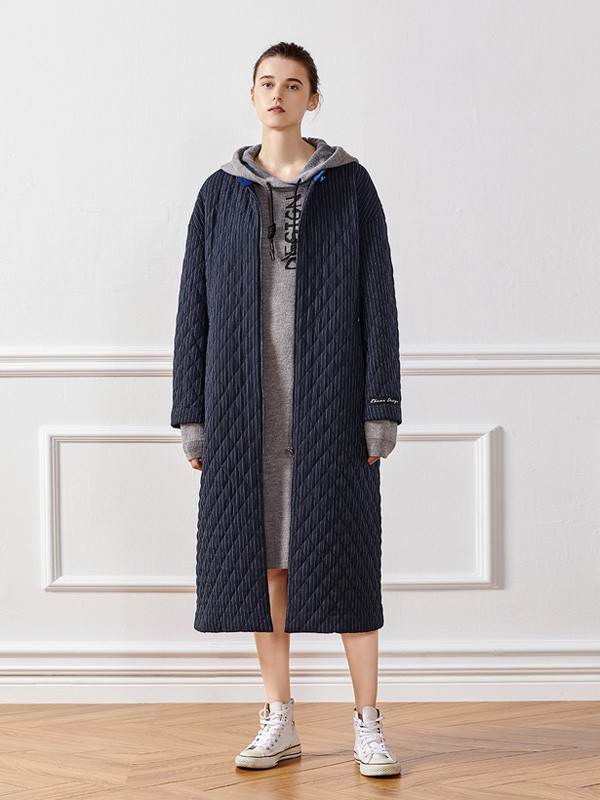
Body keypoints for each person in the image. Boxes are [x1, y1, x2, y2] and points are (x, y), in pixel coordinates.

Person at [171, 41, 402, 779]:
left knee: (348, 564)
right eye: (267, 82)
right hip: (246, 409)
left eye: (293, 84)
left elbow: (379, 300)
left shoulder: (351, 187)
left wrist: (381, 407)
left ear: (313, 98)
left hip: (332, 406)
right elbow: (193, 310)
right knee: (265, 566)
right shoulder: (217, 194)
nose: (279, 94)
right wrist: (192, 415)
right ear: (252, 95)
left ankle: (368, 722)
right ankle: (280, 717)